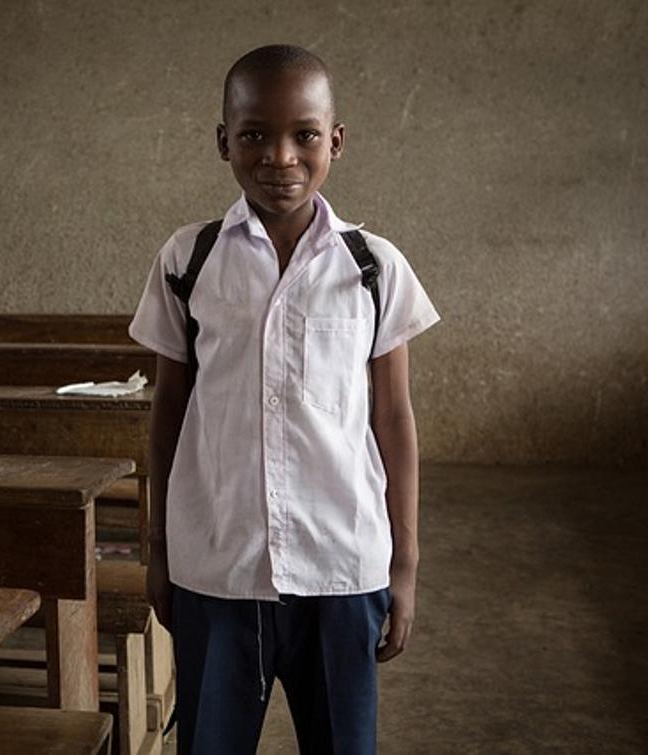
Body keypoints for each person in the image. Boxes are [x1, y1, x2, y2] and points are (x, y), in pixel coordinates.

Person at [129, 44, 440, 754]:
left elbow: (393, 419)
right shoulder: (189, 259)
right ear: (223, 142)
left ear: (336, 140)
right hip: (219, 566)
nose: (280, 157)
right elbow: (170, 408)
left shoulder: (372, 265)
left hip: (342, 566)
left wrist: (406, 565)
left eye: (304, 135)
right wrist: (159, 548)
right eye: (253, 135)